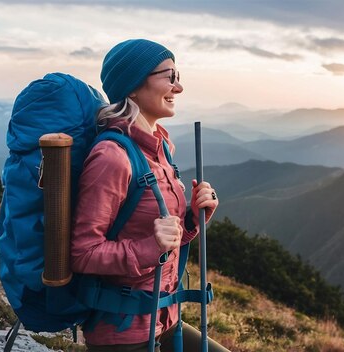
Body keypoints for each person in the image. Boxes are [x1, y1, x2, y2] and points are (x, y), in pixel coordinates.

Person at [71, 39, 229, 352]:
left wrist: (192, 220)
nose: (179, 87)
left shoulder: (161, 149)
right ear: (132, 85)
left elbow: (161, 238)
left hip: (166, 320)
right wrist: (150, 246)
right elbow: (83, 254)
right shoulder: (112, 157)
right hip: (124, 333)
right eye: (170, 76)